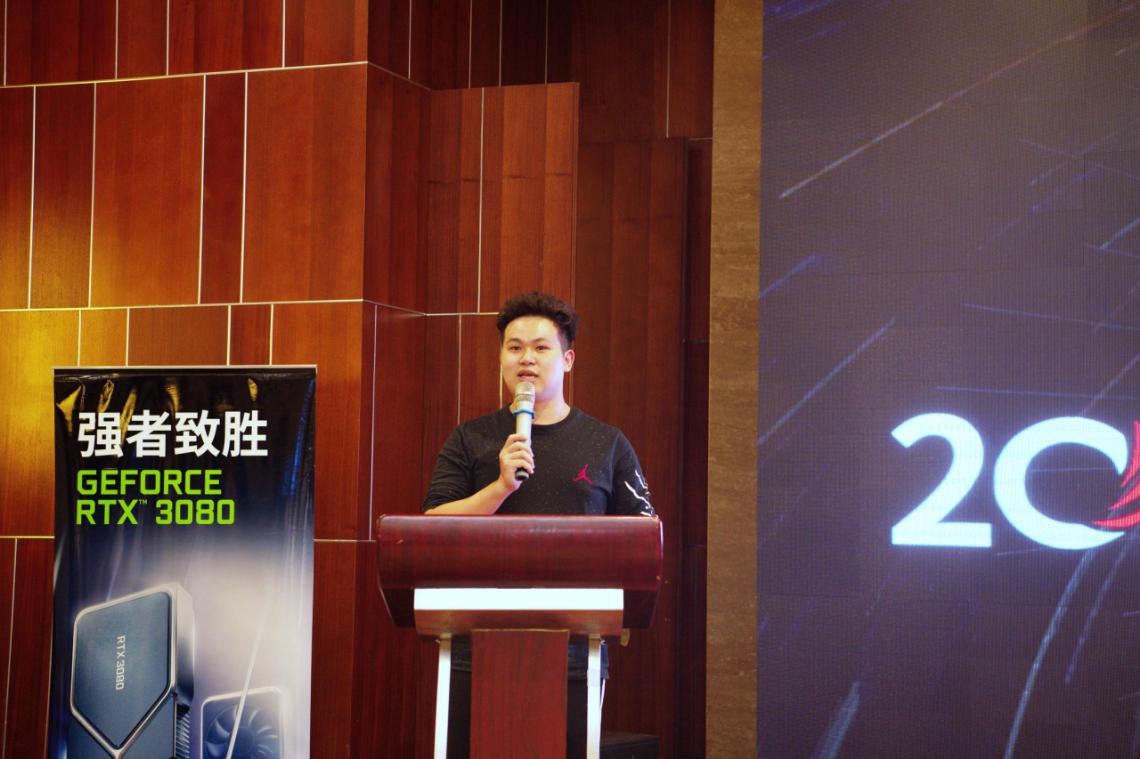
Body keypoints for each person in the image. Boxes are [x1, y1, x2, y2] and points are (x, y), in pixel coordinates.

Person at [422, 291, 656, 758]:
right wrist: (499, 488)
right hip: (475, 646)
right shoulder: (471, 439)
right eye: (514, 347)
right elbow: (431, 529)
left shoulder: (607, 443)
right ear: (501, 358)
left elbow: (642, 540)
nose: (526, 358)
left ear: (567, 360)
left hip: (577, 651)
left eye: (540, 347)